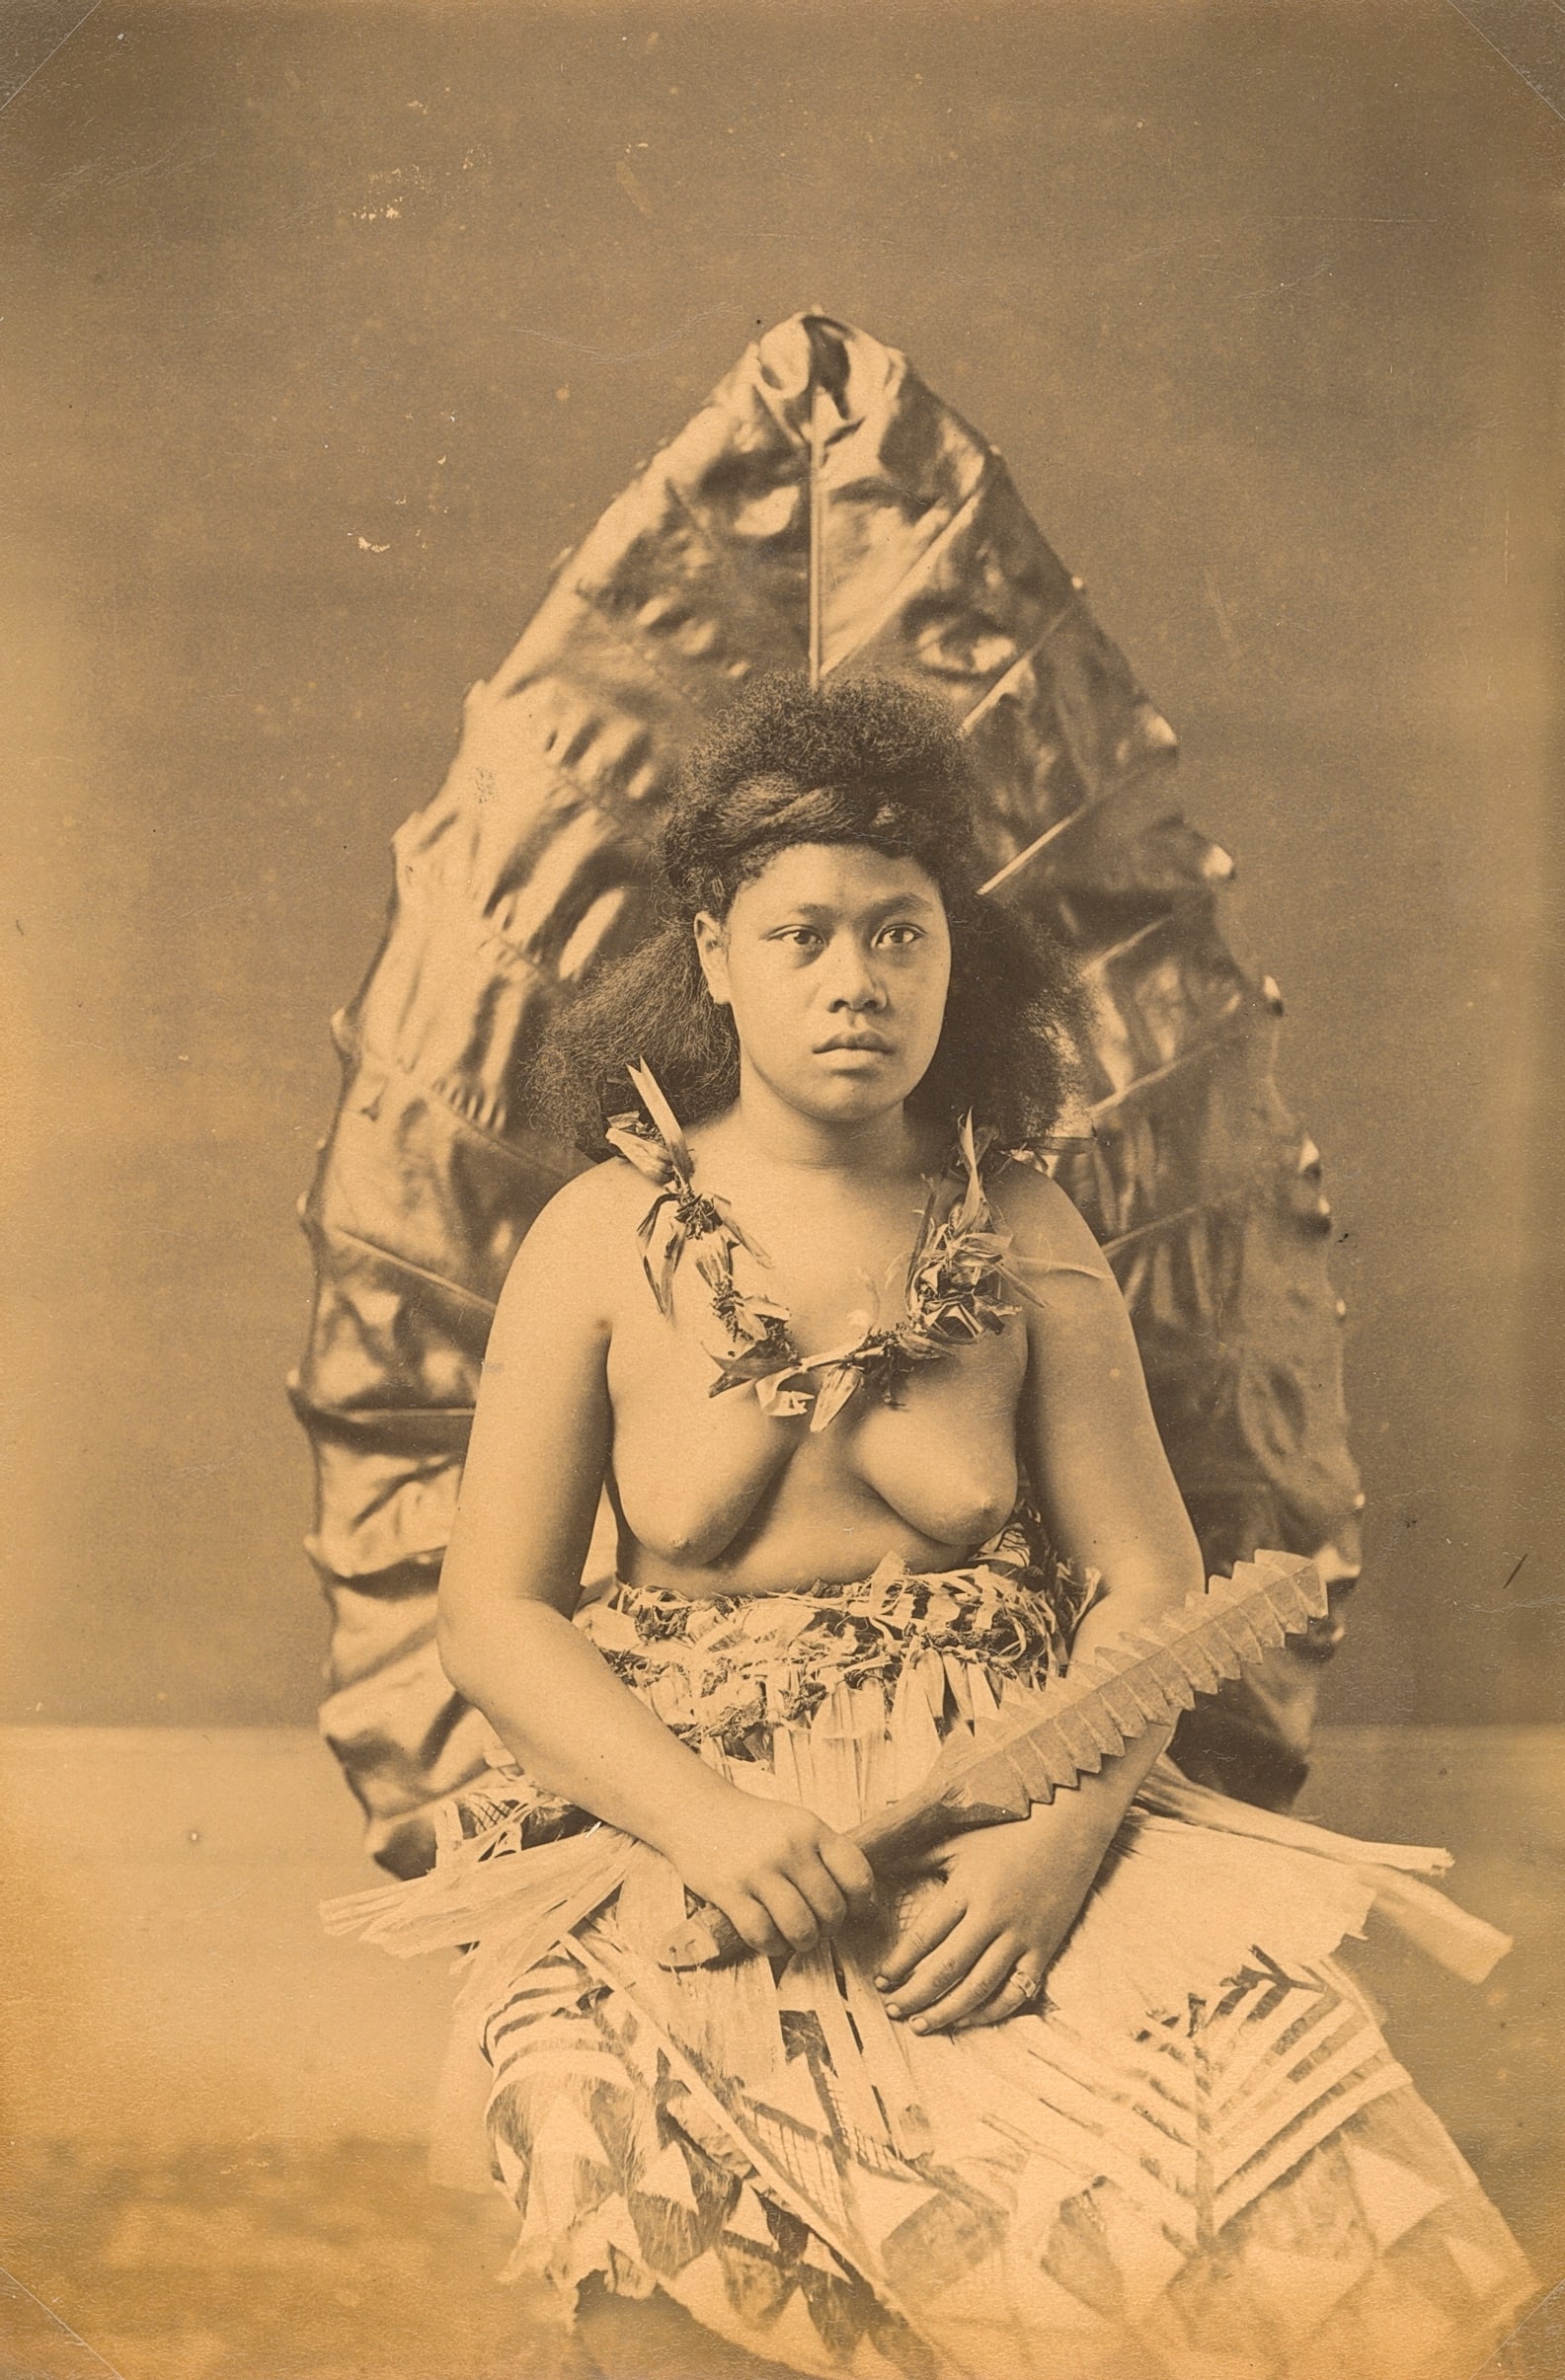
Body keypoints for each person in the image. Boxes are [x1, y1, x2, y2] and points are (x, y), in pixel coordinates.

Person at [333, 675, 1533, 2379]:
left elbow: (1148, 1580)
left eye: (899, 936)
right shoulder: (599, 1240)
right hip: (695, 1853)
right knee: (594, 2133)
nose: (854, 984)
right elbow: (496, 1617)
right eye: (805, 936)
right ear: (714, 948)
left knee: (1291, 2166)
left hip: (1026, 1819)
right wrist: (708, 1825)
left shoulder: (1022, 1222)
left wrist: (1046, 1859)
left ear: (954, 959)